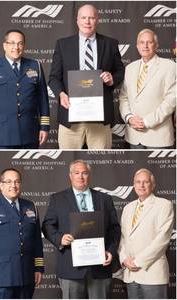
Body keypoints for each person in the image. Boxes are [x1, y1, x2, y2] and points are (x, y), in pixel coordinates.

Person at [49, 4, 125, 149]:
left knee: (102, 161)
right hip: (70, 118)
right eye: (83, 17)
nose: (87, 22)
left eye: (91, 18)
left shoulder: (110, 44)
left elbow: (120, 71)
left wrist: (112, 79)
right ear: (77, 20)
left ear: (97, 20)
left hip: (100, 119)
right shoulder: (62, 45)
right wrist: (61, 94)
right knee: (68, 160)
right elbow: (53, 77)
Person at [42, 160, 121, 298]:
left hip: (100, 267)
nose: (81, 177)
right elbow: (47, 225)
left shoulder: (105, 199)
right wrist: (60, 238)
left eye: (84, 173)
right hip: (70, 268)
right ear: (70, 175)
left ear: (89, 175)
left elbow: (114, 228)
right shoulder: (57, 199)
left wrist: (110, 250)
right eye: (77, 173)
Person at [0, 29, 50, 149]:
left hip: (30, 133)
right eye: (12, 43)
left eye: (20, 43)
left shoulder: (35, 65)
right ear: (4, 45)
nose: (16, 47)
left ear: (24, 46)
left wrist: (44, 126)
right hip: (1, 134)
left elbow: (43, 100)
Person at [0, 168, 44, 298]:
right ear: (1, 185)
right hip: (0, 277)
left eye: (17, 182)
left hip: (26, 275)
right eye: (8, 182)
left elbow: (37, 240)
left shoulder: (30, 206)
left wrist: (38, 268)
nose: (13, 185)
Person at [118, 169, 173, 299]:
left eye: (145, 182)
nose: (141, 185)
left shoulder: (164, 205)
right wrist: (124, 259)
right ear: (134, 185)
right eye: (138, 182)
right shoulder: (128, 208)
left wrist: (137, 262)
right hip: (130, 275)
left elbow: (162, 240)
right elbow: (123, 238)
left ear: (152, 185)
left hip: (152, 274)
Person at [119, 29, 176, 149]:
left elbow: (171, 101)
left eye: (149, 42)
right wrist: (129, 118)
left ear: (156, 45)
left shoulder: (170, 67)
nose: (145, 46)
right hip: (134, 136)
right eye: (142, 42)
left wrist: (147, 122)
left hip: (158, 137)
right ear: (137, 45)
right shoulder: (130, 68)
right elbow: (123, 97)